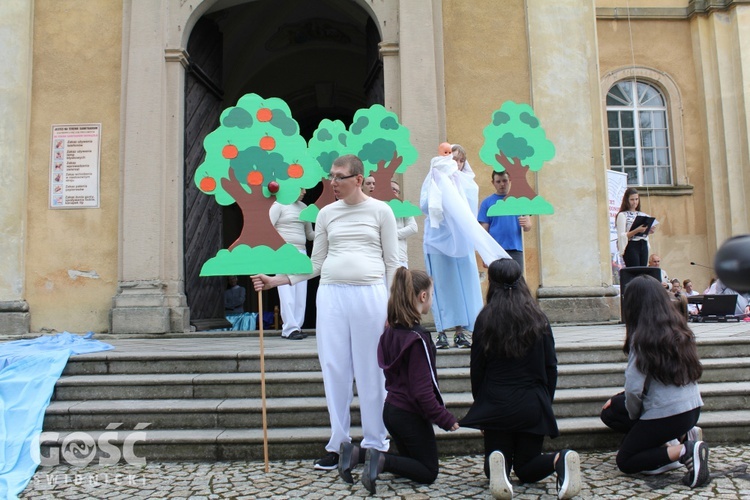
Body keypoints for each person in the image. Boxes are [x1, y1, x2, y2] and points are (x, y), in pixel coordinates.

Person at [252, 154, 399, 471]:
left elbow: (393, 264)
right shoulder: (326, 215)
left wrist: (394, 306)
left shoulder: (381, 211)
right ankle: (339, 444)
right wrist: (277, 279)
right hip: (331, 295)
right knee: (334, 369)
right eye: (331, 176)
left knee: (372, 371)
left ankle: (375, 443)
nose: (332, 182)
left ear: (358, 179)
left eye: (339, 177)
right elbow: (315, 264)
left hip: (370, 294)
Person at [459, 259, 581, 500]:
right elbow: (551, 367)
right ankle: (560, 458)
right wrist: (546, 401)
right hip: (532, 402)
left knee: (492, 466)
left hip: (496, 401)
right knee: (528, 468)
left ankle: (500, 465)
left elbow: (477, 369)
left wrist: (482, 407)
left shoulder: (485, 319)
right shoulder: (538, 317)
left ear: (492, 283)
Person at [338, 267, 459, 494]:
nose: (431, 299)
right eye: (431, 294)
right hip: (409, 415)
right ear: (423, 296)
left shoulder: (390, 332)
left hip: (392, 410)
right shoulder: (417, 338)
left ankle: (357, 454)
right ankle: (378, 460)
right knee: (428, 471)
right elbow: (422, 391)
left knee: (411, 462)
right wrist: (445, 419)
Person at [601, 275, 709, 488]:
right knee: (612, 409)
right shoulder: (681, 330)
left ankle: (684, 450)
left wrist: (634, 415)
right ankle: (681, 436)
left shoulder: (641, 339)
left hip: (667, 415)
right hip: (692, 408)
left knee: (626, 460)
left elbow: (634, 389)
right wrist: (619, 402)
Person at [421, 144, 509, 350]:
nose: (457, 164)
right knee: (440, 286)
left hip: (462, 241)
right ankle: (441, 331)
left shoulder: (468, 184)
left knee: (462, 286)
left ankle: (461, 332)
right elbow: (425, 206)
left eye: (460, 160)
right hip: (437, 240)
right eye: (453, 159)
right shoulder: (433, 178)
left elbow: (469, 213)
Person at [269, 189, 315, 340]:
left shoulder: (304, 207)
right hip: (284, 253)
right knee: (287, 293)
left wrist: (327, 229)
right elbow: (268, 228)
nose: (304, 191)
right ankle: (289, 328)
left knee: (301, 293)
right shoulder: (278, 205)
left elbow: (310, 235)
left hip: (301, 253)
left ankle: (297, 326)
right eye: (301, 187)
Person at [478, 171, 532, 272]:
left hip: (515, 249)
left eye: (505, 181)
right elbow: (483, 231)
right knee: (497, 283)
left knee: (517, 282)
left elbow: (528, 226)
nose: (502, 184)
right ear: (493, 182)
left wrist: (526, 224)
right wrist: (485, 253)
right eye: (498, 181)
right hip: (495, 250)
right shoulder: (487, 203)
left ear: (510, 180)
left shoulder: (520, 201)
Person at [616, 188, 657, 267]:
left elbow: (644, 232)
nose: (635, 202)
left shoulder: (642, 214)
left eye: (636, 199)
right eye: (632, 199)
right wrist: (637, 230)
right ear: (627, 200)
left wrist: (649, 230)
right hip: (631, 245)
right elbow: (622, 236)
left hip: (643, 244)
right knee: (635, 269)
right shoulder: (622, 215)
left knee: (643, 270)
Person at [390, 180, 418, 268]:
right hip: (380, 257)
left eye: (397, 190)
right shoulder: (377, 206)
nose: (394, 191)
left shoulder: (403, 207)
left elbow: (413, 228)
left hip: (399, 256)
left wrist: (391, 235)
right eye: (392, 188)